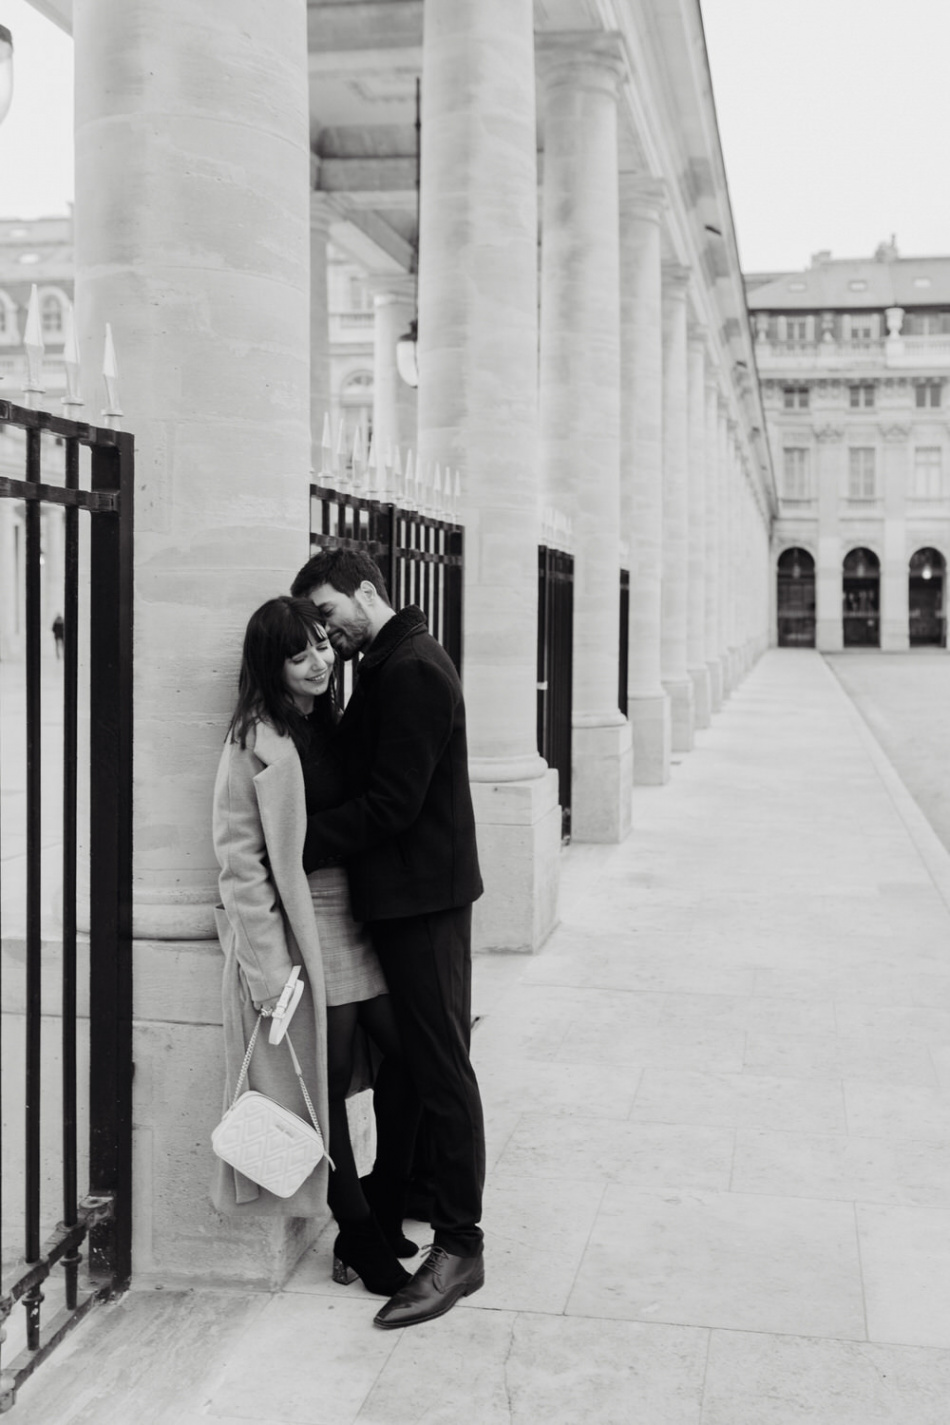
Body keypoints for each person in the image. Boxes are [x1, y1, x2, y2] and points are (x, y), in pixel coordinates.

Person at [289, 548, 486, 1330]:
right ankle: (407, 1192)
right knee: (415, 1060)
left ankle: (461, 1245)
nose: (327, 634)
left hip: (424, 902)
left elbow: (392, 804)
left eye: (330, 614)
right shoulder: (387, 658)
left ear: (369, 591)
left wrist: (294, 836)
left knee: (440, 1066)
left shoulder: (410, 669)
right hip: (406, 899)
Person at [211, 595, 418, 1297]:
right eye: (299, 655)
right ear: (272, 666)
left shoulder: (330, 715)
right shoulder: (252, 740)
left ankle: (384, 1200)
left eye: (322, 645)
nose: (320, 661)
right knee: (320, 1090)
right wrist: (267, 970)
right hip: (301, 932)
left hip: (355, 917)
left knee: (412, 1052)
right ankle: (357, 1230)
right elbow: (240, 865)